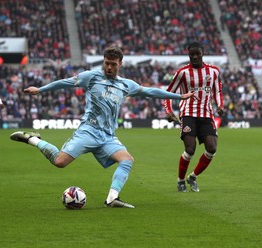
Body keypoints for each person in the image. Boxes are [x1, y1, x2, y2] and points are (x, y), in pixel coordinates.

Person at [10, 46, 197, 208]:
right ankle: (33, 139)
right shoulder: (91, 77)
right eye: (106, 63)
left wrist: (179, 97)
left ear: (120, 64)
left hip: (108, 136)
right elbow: (65, 83)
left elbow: (150, 92)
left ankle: (112, 198)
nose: (109, 67)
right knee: (59, 162)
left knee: (127, 160)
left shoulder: (126, 85)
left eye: (113, 64)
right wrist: (40, 90)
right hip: (88, 132)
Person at [164, 41, 224, 192]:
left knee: (212, 148)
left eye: (198, 53)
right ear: (188, 55)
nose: (195, 56)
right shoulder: (182, 72)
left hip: (207, 115)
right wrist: (169, 111)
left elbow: (217, 91)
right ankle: (180, 180)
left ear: (203, 52)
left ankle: (193, 177)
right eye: (192, 54)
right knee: (190, 149)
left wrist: (220, 105)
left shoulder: (214, 71)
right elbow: (168, 93)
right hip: (188, 114)